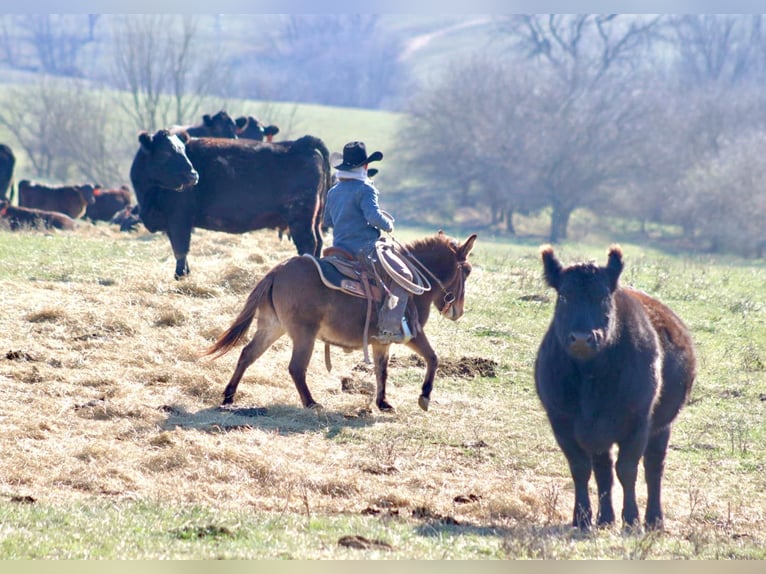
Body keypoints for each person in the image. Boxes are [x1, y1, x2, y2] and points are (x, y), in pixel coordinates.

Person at [323, 141, 413, 344]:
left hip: (338, 250)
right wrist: (388, 224)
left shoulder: (333, 191)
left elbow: (327, 221)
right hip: (365, 250)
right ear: (364, 166)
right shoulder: (365, 189)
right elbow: (373, 217)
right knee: (404, 275)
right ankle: (389, 329)